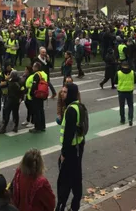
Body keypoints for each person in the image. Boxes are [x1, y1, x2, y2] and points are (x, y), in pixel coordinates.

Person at [56, 83, 85, 211]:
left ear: (71, 93)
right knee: (76, 177)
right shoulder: (79, 106)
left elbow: (68, 134)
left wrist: (63, 153)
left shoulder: (71, 110)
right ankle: (75, 204)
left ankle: (61, 205)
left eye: (65, 92)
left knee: (64, 180)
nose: (62, 94)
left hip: (71, 150)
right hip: (79, 146)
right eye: (62, 91)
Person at [115, 61, 136, 126]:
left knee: (122, 106)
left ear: (122, 66)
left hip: (121, 91)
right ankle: (130, 119)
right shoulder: (132, 72)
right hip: (130, 91)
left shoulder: (118, 73)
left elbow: (115, 81)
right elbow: (135, 81)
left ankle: (122, 119)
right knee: (130, 106)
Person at [29, 62, 48, 133]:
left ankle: (37, 127)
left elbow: (34, 86)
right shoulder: (43, 74)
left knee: (36, 111)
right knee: (41, 110)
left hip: (37, 94)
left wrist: (31, 93)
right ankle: (42, 126)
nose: (32, 68)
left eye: (33, 67)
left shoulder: (36, 75)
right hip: (42, 94)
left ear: (36, 68)